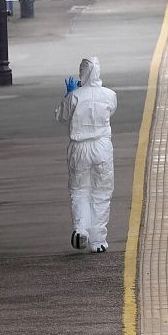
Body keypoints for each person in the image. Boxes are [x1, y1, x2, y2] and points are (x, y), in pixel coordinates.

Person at [55, 57, 118, 253]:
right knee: (101, 193)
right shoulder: (110, 95)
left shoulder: (75, 97)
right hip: (102, 147)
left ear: (82, 73)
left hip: (79, 148)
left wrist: (69, 94)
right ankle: (98, 241)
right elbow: (110, 111)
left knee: (79, 190)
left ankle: (81, 229)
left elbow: (61, 116)